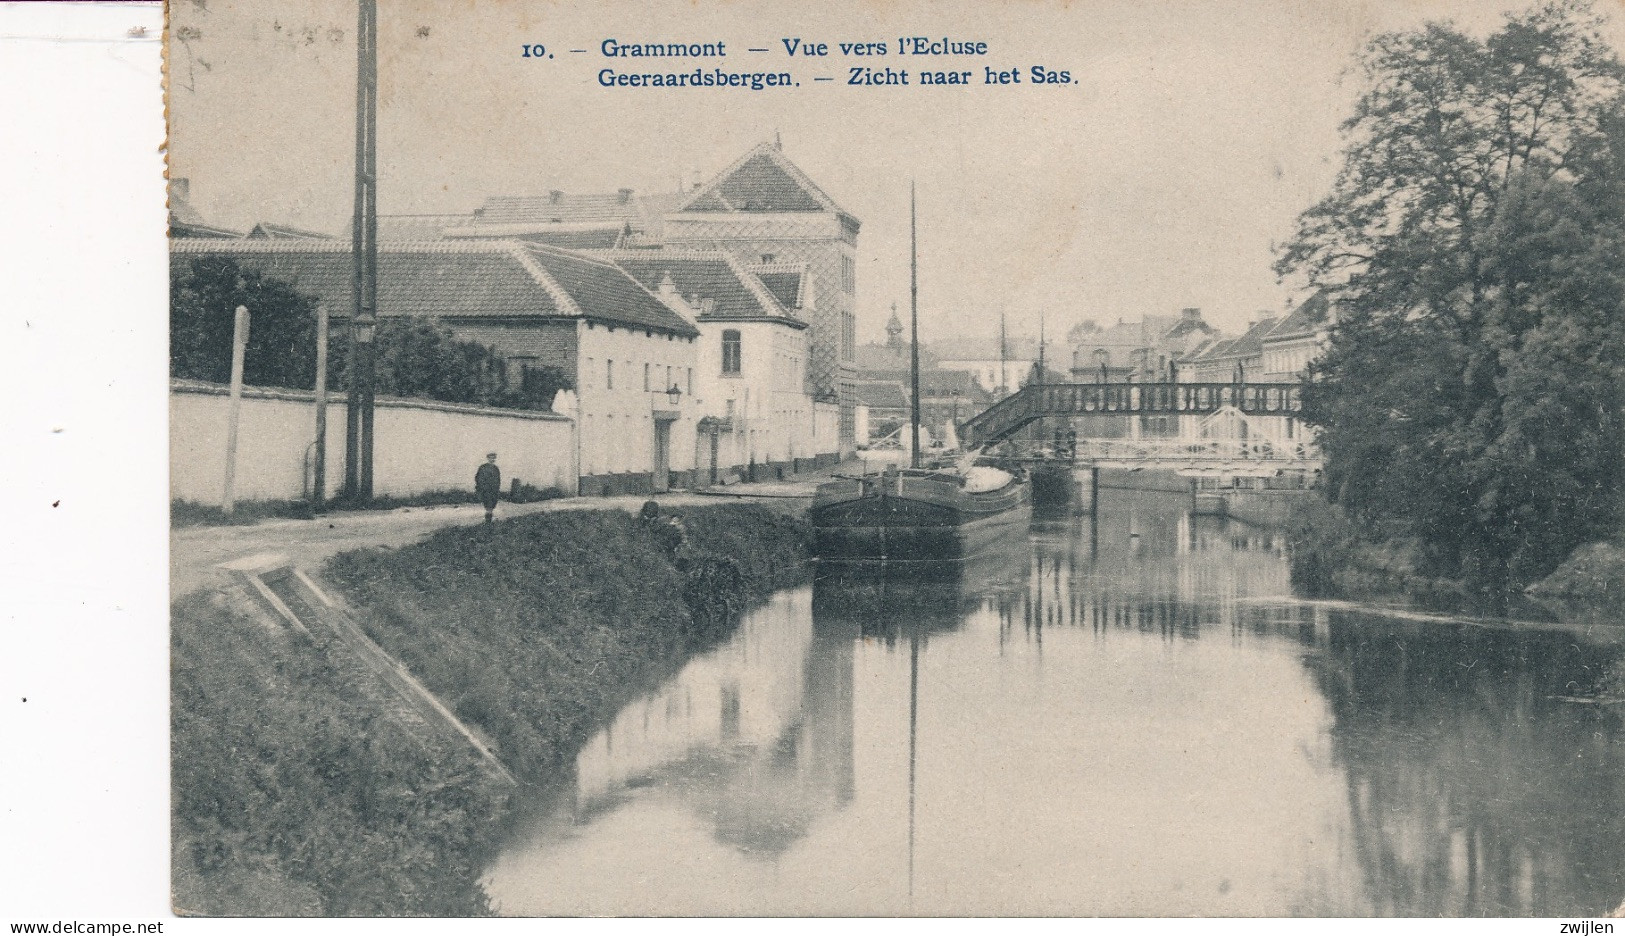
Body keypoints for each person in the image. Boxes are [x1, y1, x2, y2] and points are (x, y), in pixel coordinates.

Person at [475, 452, 501, 524]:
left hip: (494, 490)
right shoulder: (483, 467)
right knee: (488, 507)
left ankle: (488, 522)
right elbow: (478, 478)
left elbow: (498, 480)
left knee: (492, 507)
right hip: (486, 490)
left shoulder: (496, 468)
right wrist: (482, 488)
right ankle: (488, 522)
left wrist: (497, 489)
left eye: (494, 458)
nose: (492, 459)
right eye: (491, 458)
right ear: (488, 458)